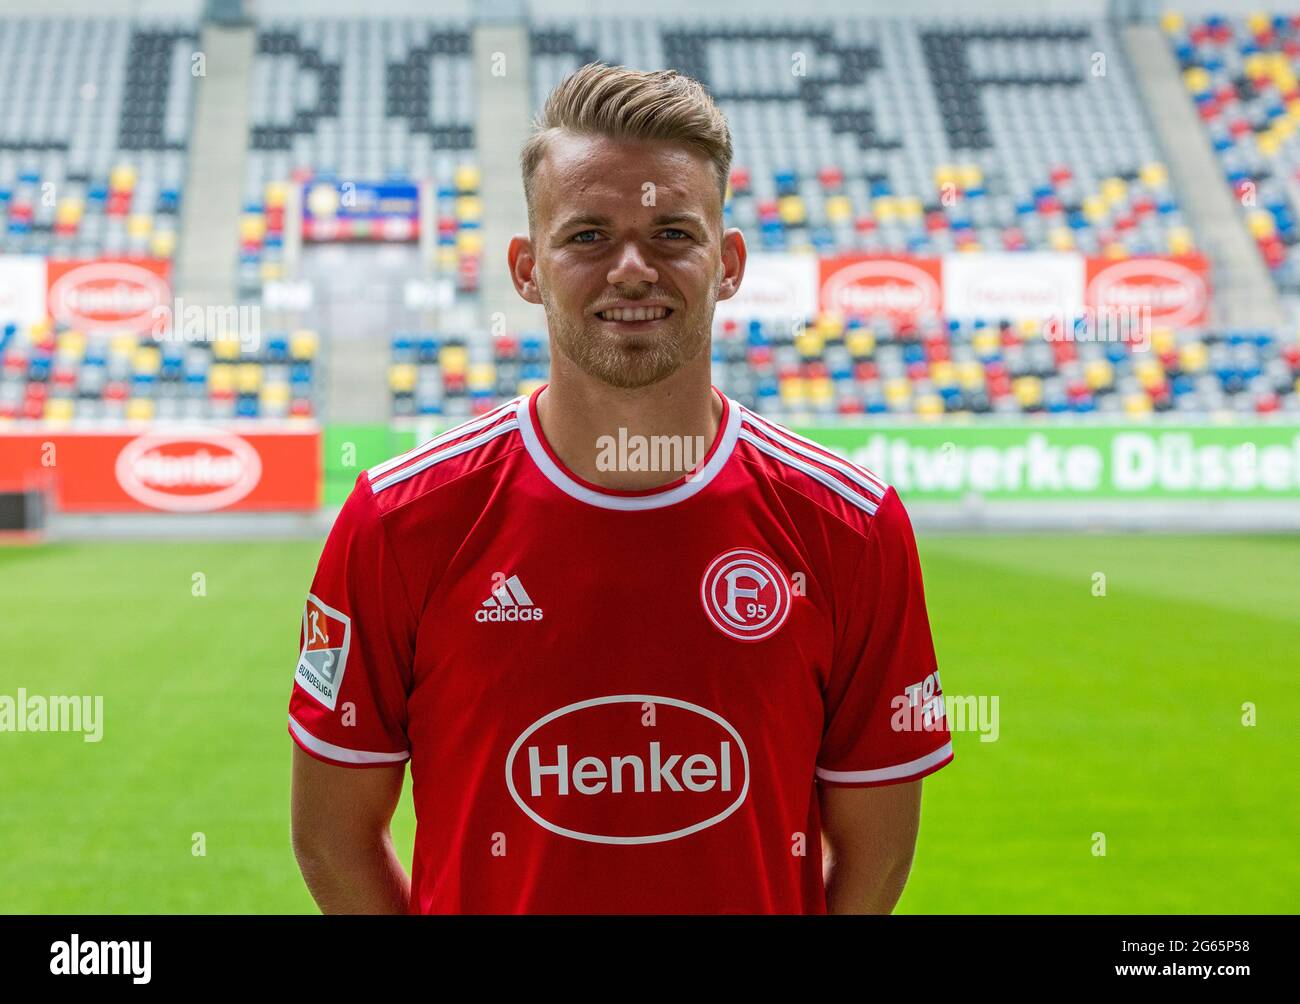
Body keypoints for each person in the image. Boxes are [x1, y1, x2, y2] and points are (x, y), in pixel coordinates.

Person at [288, 62, 952, 914]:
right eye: (588, 236)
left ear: (730, 260)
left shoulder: (850, 528)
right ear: (527, 268)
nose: (632, 269)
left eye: (674, 233)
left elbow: (877, 856)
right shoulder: (402, 520)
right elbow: (331, 838)